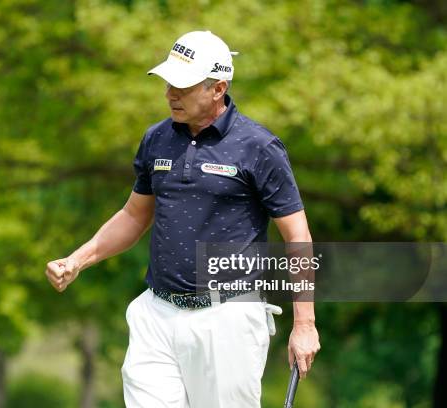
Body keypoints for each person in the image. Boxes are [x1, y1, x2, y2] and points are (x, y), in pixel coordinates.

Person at [46, 30, 320, 408]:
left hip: (227, 318)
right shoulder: (157, 139)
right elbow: (133, 215)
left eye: (183, 85)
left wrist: (304, 324)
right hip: (157, 313)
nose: (170, 93)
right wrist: (79, 259)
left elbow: (297, 234)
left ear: (218, 88)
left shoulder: (259, 147)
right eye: (168, 83)